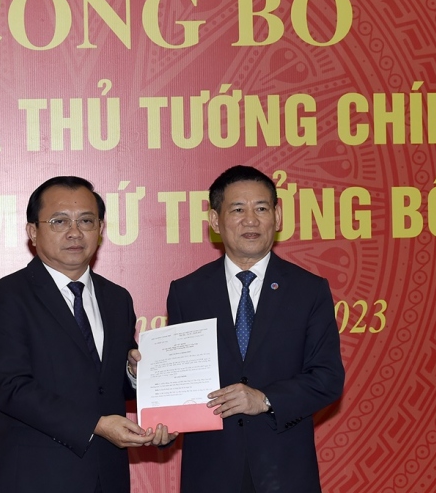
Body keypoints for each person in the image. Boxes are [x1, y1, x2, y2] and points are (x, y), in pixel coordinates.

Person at [131, 165, 345, 492]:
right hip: (210, 473)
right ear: (215, 221)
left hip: (285, 472)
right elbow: (180, 379)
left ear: (277, 216)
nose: (251, 220)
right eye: (237, 210)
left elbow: (327, 379)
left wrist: (265, 399)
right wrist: (163, 415)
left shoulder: (309, 290)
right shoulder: (187, 291)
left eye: (261, 208)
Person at [0, 176, 171, 493]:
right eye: (59, 221)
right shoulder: (6, 296)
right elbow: (12, 388)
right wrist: (97, 425)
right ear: (33, 232)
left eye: (86, 221)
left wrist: (135, 374)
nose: (74, 232)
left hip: (107, 477)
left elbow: (108, 384)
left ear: (100, 229)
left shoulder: (117, 298)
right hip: (34, 478)